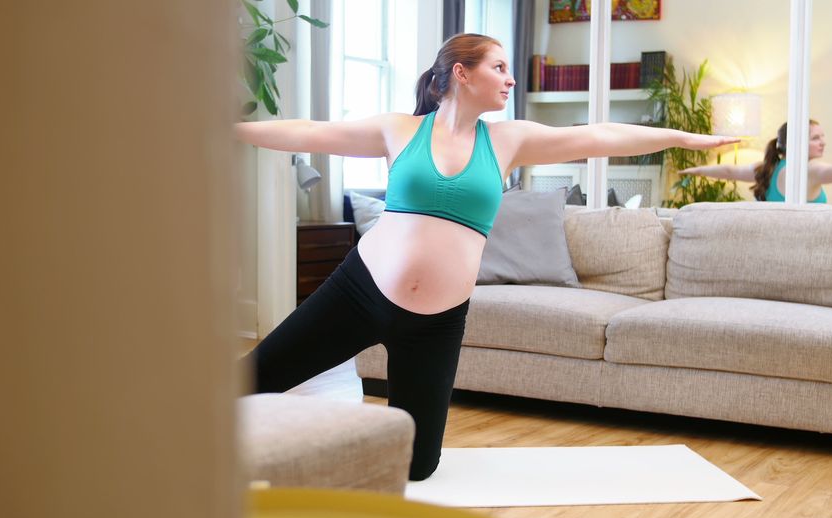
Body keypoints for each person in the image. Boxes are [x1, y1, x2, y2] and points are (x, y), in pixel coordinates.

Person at [235, 33, 736, 481]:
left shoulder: (506, 140)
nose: (510, 79)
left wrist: (683, 138)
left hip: (436, 323)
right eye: (498, 67)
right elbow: (307, 130)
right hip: (360, 293)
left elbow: (598, 134)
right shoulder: (399, 130)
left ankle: (332, 438)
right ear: (461, 72)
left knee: (418, 467)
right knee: (253, 378)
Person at [679, 120, 832, 203]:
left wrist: (697, 170)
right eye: (815, 138)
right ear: (796, 142)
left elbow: (729, 171)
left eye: (822, 137)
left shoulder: (767, 169)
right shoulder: (808, 170)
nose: (823, 143)